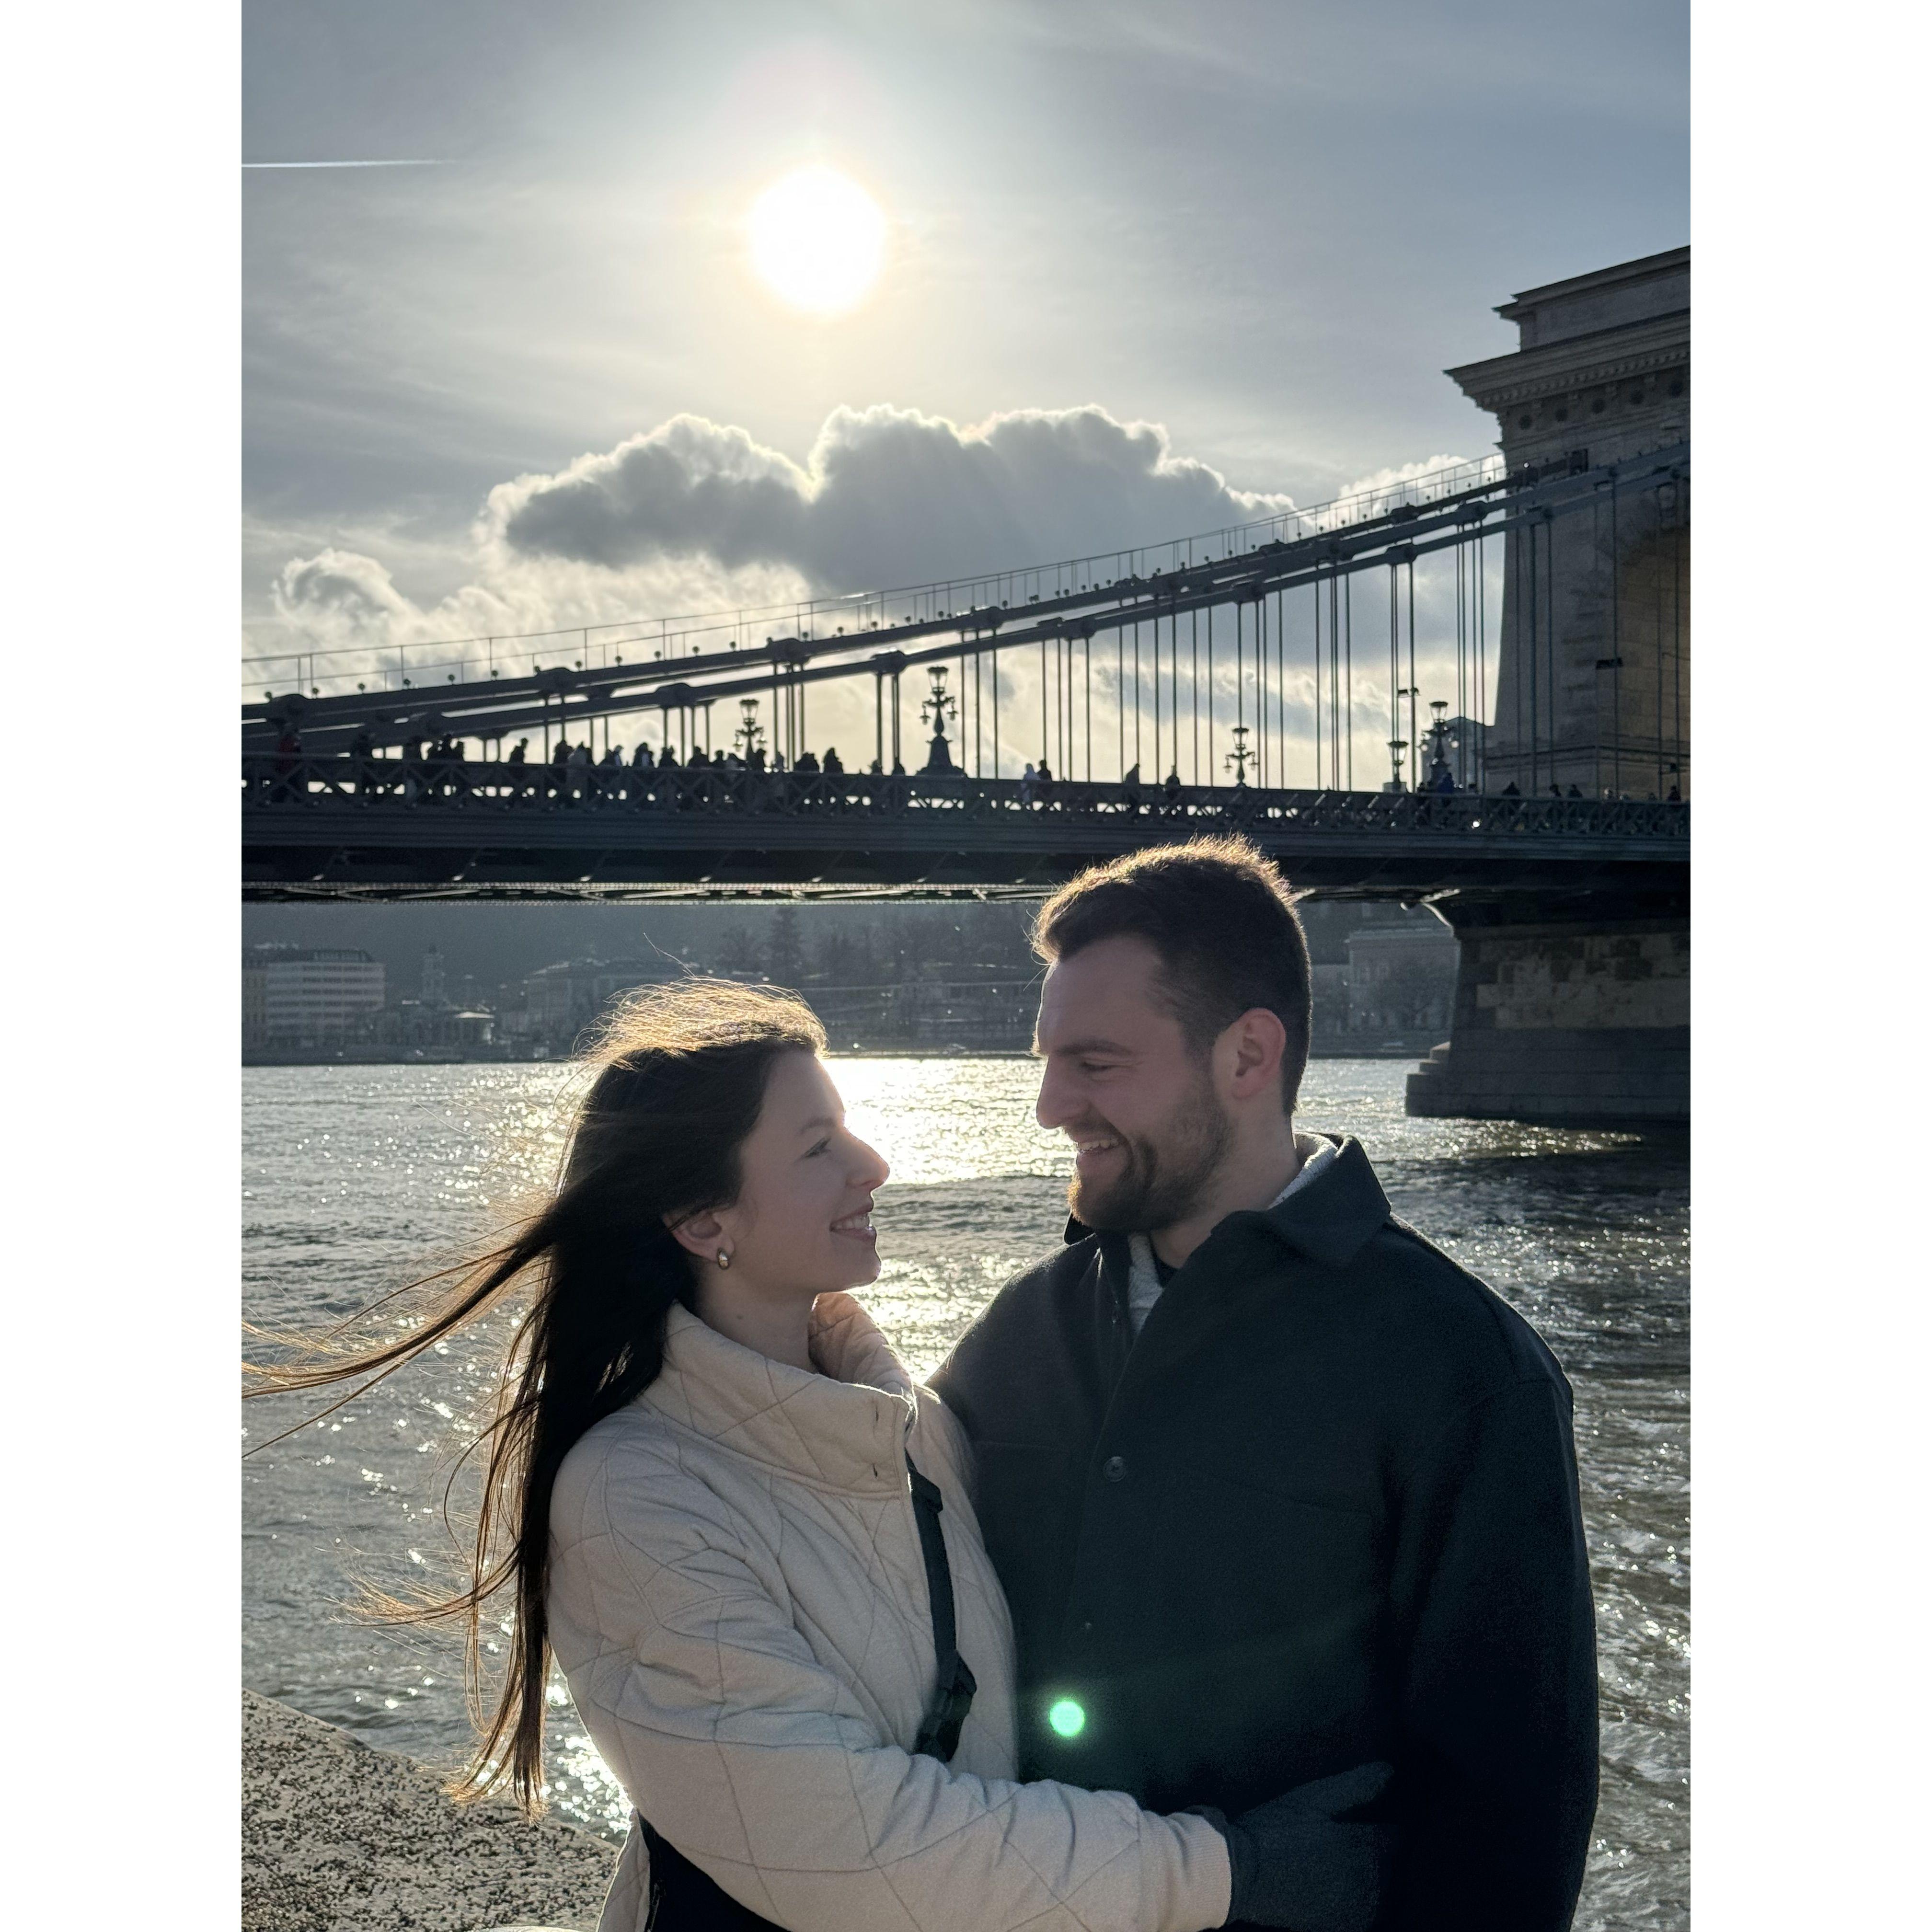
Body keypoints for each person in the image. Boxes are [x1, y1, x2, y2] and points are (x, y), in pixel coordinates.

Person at [248, 980, 1393, 1932]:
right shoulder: (635, 1495)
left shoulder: (907, 1422)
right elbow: (852, 1844)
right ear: (705, 1224)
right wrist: (1232, 1870)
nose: (874, 1163)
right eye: (817, 1146)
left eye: (849, 1125)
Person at [929, 838, 1599, 1932]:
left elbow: (1509, 1819)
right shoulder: (1020, 1331)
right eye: (1046, 1063)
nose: (1051, 1107)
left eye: (1095, 1065)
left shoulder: (1466, 1370)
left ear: (1248, 1058)